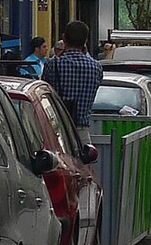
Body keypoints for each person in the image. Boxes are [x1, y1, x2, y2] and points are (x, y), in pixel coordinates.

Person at [42, 21, 104, 158]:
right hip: (82, 131)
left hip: (56, 130)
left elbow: (43, 91)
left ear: (64, 38)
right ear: (85, 41)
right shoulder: (96, 68)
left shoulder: (53, 64)